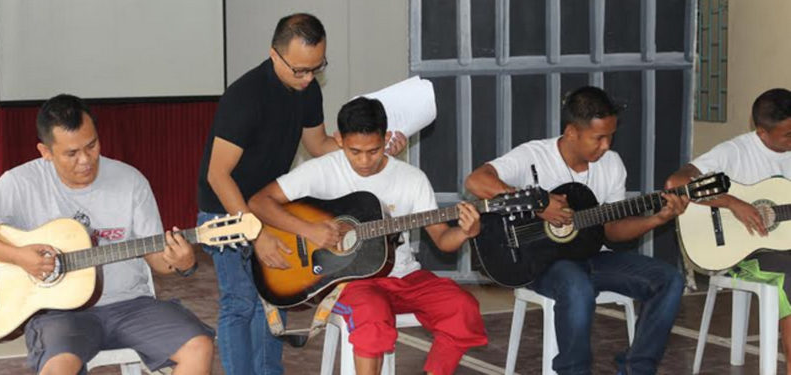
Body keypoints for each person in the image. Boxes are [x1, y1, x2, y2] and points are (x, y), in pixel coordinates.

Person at [196, 13, 405, 375]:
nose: (309, 78)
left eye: (317, 68)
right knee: (241, 303)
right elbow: (218, 174)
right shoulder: (244, 97)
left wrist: (372, 149)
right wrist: (255, 233)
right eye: (300, 70)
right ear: (275, 55)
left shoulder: (308, 91)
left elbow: (318, 144)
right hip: (226, 212)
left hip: (269, 206)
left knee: (274, 299)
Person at [0, 94, 214, 375]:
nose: (86, 160)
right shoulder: (22, 183)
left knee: (199, 346)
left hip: (130, 305)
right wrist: (18, 256)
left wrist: (183, 264)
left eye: (92, 145)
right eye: (71, 153)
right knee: (58, 370)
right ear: (45, 152)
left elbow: (159, 261)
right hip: (59, 315)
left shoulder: (130, 181)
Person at [249, 97, 488, 375]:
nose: (364, 161)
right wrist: (309, 229)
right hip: (351, 282)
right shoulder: (322, 169)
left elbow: (443, 241)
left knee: (463, 308)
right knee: (372, 316)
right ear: (339, 140)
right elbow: (259, 202)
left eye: (373, 151)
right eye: (354, 151)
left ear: (386, 138)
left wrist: (465, 232)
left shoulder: (412, 179)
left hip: (404, 276)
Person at [465, 86, 687, 375]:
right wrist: (538, 204)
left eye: (610, 136)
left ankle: (637, 367)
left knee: (669, 279)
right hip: (540, 262)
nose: (606, 145)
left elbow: (612, 230)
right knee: (577, 286)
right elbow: (476, 181)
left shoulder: (612, 165)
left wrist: (657, 219)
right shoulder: (534, 155)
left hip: (593, 256)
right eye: (599, 137)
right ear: (572, 132)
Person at [666, 88, 791, 374]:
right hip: (743, 254)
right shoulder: (735, 152)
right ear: (761, 132)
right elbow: (676, 182)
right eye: (788, 135)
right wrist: (732, 202)